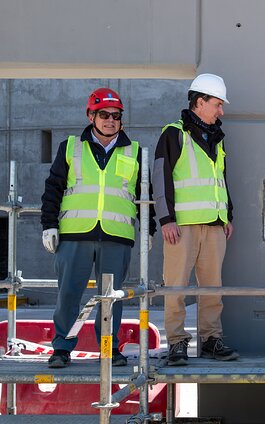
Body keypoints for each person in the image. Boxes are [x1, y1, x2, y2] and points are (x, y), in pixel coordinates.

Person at [41, 87, 155, 368]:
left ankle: (108, 348)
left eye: (116, 116)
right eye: (103, 114)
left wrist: (147, 230)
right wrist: (49, 225)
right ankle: (61, 348)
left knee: (111, 298)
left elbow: (145, 195)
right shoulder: (71, 147)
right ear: (90, 115)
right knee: (69, 293)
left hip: (117, 236)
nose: (110, 120)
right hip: (75, 234)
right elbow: (53, 188)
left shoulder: (135, 150)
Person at [153, 73, 238, 366]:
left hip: (214, 224)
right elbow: (160, 178)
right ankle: (176, 343)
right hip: (182, 226)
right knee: (176, 286)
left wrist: (227, 215)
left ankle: (211, 339)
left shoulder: (216, 137)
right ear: (199, 102)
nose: (221, 111)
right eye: (217, 104)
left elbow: (221, 180)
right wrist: (165, 219)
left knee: (212, 287)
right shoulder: (173, 134)